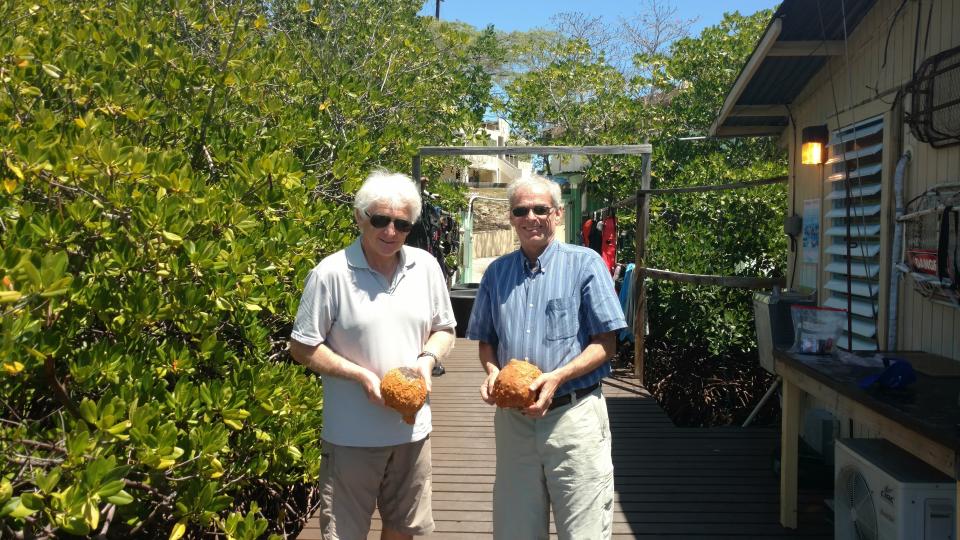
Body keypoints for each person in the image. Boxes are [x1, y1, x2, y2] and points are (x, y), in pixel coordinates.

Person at [289, 170, 456, 540]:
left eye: (402, 224)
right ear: (360, 217)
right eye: (380, 220)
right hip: (351, 435)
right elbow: (302, 346)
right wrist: (361, 376)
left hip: (412, 431)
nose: (390, 232)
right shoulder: (330, 273)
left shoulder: (426, 267)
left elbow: (444, 328)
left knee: (403, 529)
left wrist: (427, 359)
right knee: (345, 533)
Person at [466, 174, 626, 540]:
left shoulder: (585, 265)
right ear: (511, 217)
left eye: (540, 209)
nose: (531, 217)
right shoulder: (496, 273)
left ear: (556, 214)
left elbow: (607, 343)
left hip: (573, 418)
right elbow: (486, 341)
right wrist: (492, 372)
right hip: (514, 425)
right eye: (521, 210)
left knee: (583, 531)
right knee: (515, 530)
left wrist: (557, 378)